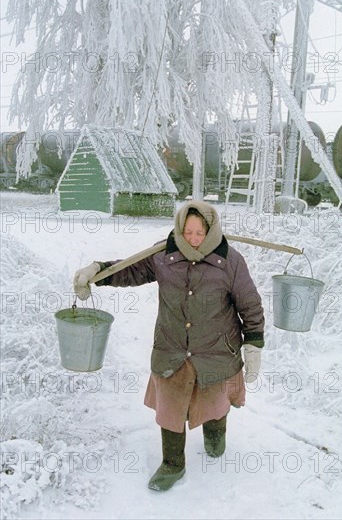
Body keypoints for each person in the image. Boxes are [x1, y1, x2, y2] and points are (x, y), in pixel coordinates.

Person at [73, 200, 265, 491]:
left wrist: (253, 345)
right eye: (187, 232)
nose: (193, 239)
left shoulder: (231, 262)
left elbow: (250, 304)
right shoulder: (164, 254)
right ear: (179, 229)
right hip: (172, 348)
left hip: (217, 350)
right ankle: (172, 465)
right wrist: (97, 271)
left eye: (200, 233)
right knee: (171, 409)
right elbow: (130, 270)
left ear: (211, 230)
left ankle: (215, 435)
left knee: (215, 402)